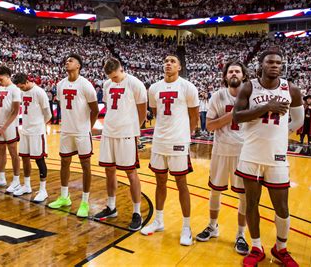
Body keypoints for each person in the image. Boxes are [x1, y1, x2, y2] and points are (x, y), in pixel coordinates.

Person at [233, 49, 303, 267]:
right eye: (270, 62)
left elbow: (298, 121)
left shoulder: (291, 89)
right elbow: (237, 117)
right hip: (251, 154)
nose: (275, 65)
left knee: (281, 206)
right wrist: (266, 108)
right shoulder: (249, 86)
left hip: (277, 156)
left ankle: (281, 248)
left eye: (278, 63)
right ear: (261, 64)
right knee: (251, 204)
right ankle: (256, 246)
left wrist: (281, 134)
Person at [141, 54, 199, 246]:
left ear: (179, 67)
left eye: (173, 61)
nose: (168, 63)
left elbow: (194, 117)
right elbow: (156, 113)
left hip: (179, 142)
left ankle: (186, 227)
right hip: (159, 141)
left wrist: (185, 137)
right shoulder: (154, 88)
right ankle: (158, 221)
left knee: (181, 183)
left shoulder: (188, 87)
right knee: (160, 182)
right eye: (166, 61)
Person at [195, 61, 249, 255]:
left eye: (237, 71)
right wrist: (231, 115)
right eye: (230, 71)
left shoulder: (250, 95)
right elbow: (209, 126)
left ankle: (241, 234)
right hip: (220, 150)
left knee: (243, 196)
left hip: (243, 152)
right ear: (225, 76)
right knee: (215, 191)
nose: (234, 73)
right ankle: (212, 226)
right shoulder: (217, 96)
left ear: (243, 75)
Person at [94, 58, 147, 231]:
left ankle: (137, 212)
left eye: (116, 77)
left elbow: (142, 111)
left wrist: (135, 131)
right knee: (109, 170)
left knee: (131, 173)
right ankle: (111, 207)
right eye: (111, 77)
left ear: (121, 69)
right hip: (109, 132)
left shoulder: (135, 84)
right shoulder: (107, 84)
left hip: (127, 134)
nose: (114, 80)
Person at [48, 54, 99, 217]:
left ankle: (85, 202)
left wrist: (87, 128)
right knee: (64, 162)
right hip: (66, 131)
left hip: (82, 132)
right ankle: (64, 197)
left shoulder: (85, 85)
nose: (67, 62)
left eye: (71, 60)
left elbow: (95, 111)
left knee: (85, 165)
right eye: (66, 60)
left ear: (78, 66)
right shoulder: (60, 84)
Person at [12, 73, 52, 202]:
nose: (21, 89)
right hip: (25, 130)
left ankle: (43, 190)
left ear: (27, 81)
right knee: (24, 158)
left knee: (39, 160)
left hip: (37, 131)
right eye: (19, 87)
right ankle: (27, 185)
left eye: (22, 86)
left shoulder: (39, 92)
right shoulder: (21, 92)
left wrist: (40, 126)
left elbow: (48, 114)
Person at [0, 66, 21, 191]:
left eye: (1, 79)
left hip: (10, 125)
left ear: (8, 76)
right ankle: (1, 178)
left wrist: (4, 127)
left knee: (13, 152)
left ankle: (16, 180)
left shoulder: (15, 89)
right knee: (0, 150)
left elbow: (15, 111)